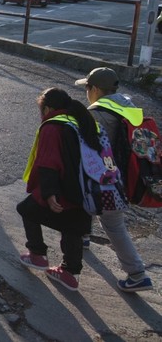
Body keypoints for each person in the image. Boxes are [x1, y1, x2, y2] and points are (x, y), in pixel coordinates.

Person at [74, 67, 154, 292]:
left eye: (88, 88)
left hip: (109, 178)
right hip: (129, 173)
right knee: (88, 200)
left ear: (96, 89)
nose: (87, 92)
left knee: (113, 222)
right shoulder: (128, 105)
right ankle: (83, 236)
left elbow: (90, 147)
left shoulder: (98, 112)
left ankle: (137, 274)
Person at [17, 87, 98, 292]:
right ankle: (70, 273)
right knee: (72, 228)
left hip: (61, 188)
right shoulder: (78, 121)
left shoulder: (52, 127)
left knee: (27, 210)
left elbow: (48, 162)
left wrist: (49, 193)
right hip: (84, 188)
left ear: (48, 109)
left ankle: (37, 254)